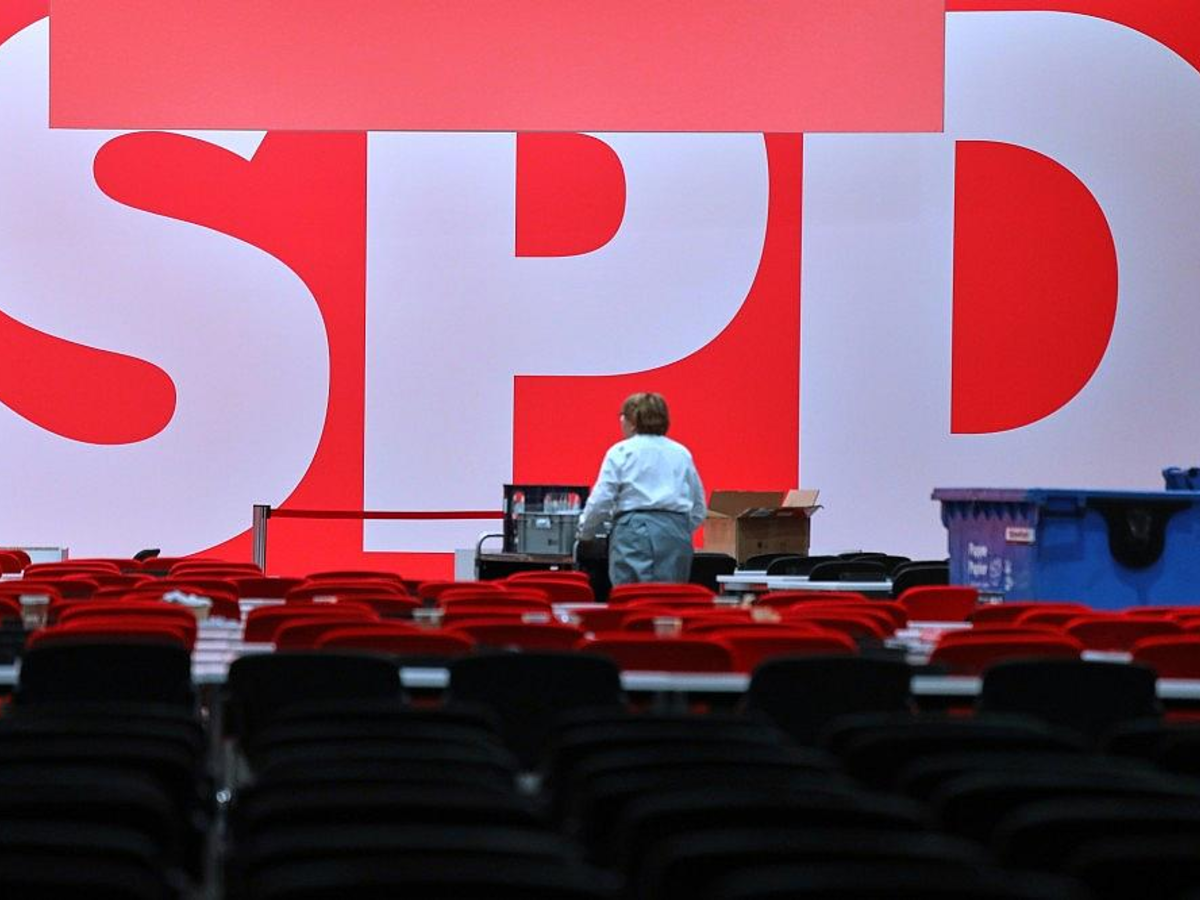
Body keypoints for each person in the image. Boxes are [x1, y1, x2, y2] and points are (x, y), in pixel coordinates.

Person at [576, 392, 707, 585]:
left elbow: (601, 500)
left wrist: (585, 533)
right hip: (675, 534)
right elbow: (698, 506)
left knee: (632, 594)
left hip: (633, 532)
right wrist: (679, 529)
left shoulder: (621, 452)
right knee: (671, 595)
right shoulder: (681, 453)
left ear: (632, 421)